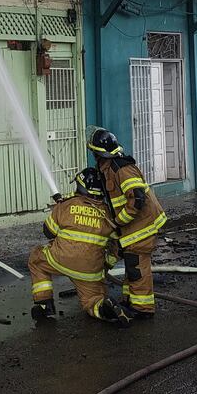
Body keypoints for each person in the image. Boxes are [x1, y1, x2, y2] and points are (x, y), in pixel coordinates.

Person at [28, 168, 131, 326]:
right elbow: (116, 246)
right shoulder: (107, 215)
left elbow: (48, 232)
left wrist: (59, 210)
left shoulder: (66, 206)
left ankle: (45, 304)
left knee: (36, 259)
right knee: (91, 301)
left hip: (59, 260)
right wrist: (106, 265)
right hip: (90, 271)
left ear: (80, 187)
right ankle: (103, 308)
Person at [87, 127, 168, 318]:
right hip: (134, 227)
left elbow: (137, 199)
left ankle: (143, 308)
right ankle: (130, 301)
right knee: (132, 266)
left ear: (99, 153)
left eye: (94, 153)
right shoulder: (109, 168)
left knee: (137, 266)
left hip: (142, 226)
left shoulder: (121, 169)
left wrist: (118, 221)